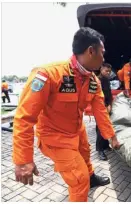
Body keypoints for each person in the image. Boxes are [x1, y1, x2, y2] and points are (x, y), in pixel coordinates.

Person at [12, 27, 120, 202]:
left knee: (85, 154)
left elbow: (100, 111)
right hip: (54, 137)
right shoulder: (48, 74)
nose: (104, 58)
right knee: (79, 179)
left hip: (77, 129)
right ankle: (85, 181)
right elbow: (24, 118)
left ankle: (91, 178)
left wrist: (111, 136)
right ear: (91, 51)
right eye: (102, 52)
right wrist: (23, 160)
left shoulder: (94, 81)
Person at [95, 63, 113, 161]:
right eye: (106, 71)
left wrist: (110, 104)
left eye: (109, 71)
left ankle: (105, 145)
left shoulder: (106, 80)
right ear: (101, 69)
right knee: (100, 129)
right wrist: (104, 106)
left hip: (107, 106)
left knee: (106, 127)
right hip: (99, 108)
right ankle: (100, 150)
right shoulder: (97, 80)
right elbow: (97, 97)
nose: (108, 73)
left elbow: (109, 93)